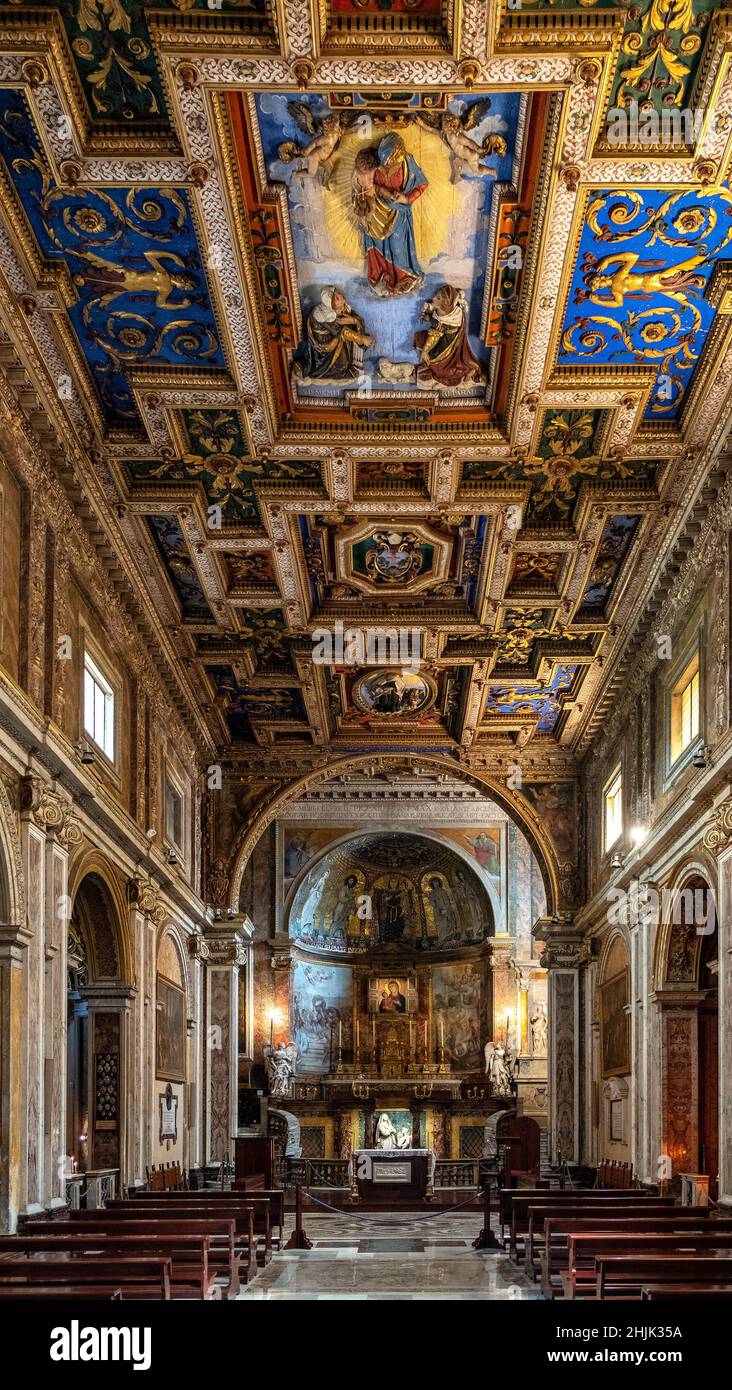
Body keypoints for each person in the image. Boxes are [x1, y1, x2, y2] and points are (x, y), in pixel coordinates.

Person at [353, 134, 427, 297]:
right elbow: (363, 183)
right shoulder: (373, 161)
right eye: (385, 165)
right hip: (377, 210)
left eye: (393, 165)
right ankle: (380, 279)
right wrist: (373, 191)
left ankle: (403, 279)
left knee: (398, 248)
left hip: (398, 213)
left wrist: (407, 198)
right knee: (377, 247)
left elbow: (422, 184)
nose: (388, 169)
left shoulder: (407, 163)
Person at [295, 286, 372, 382]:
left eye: (338, 295)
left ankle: (353, 363)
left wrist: (354, 320)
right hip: (325, 350)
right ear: (329, 304)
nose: (339, 297)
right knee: (341, 367)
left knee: (353, 328)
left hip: (335, 340)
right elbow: (342, 331)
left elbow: (355, 319)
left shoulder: (338, 310)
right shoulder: (323, 315)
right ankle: (330, 369)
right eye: (334, 298)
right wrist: (362, 339)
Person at [414, 285, 483, 388]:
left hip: (446, 344)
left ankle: (467, 371)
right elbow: (437, 322)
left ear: (445, 304)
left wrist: (424, 352)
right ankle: (429, 363)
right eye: (436, 296)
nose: (433, 298)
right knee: (419, 338)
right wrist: (430, 318)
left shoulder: (443, 320)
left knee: (440, 369)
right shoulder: (452, 312)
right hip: (447, 338)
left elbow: (434, 337)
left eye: (438, 298)